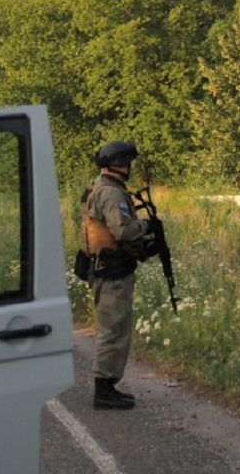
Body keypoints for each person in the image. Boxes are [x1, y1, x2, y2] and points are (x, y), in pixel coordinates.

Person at [82, 139, 157, 410]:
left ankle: (108, 386)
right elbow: (123, 231)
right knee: (113, 328)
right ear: (120, 164)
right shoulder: (111, 193)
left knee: (114, 327)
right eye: (128, 163)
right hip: (111, 271)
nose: (130, 168)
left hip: (108, 268)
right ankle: (104, 390)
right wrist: (147, 224)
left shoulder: (100, 187)